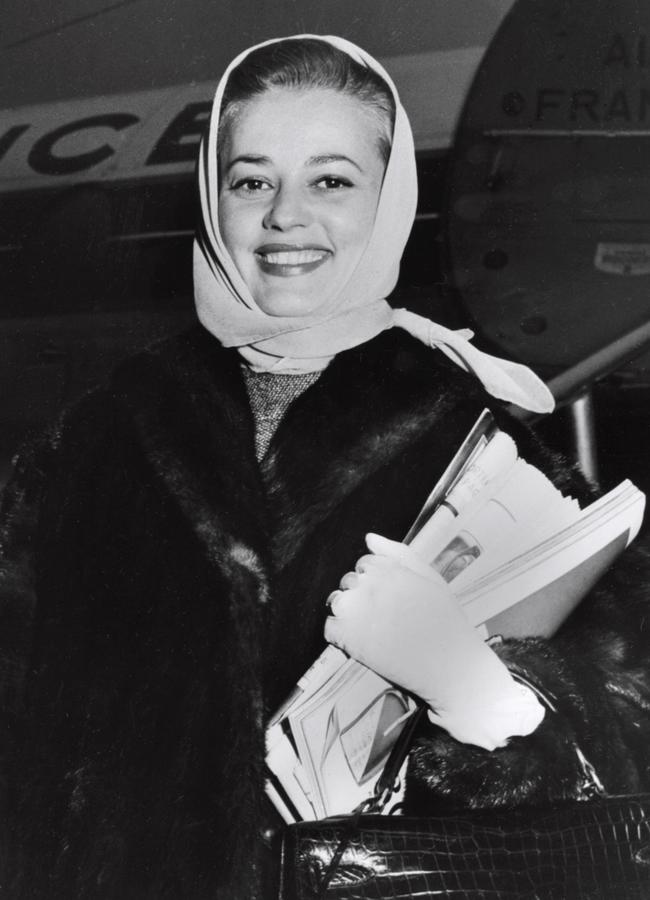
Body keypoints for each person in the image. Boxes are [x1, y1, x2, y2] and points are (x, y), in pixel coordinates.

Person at [0, 33, 649, 900]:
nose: (284, 217)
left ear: (388, 202)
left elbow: (625, 741)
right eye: (251, 179)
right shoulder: (94, 438)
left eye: (332, 181)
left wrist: (485, 695)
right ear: (214, 199)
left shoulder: (485, 448)